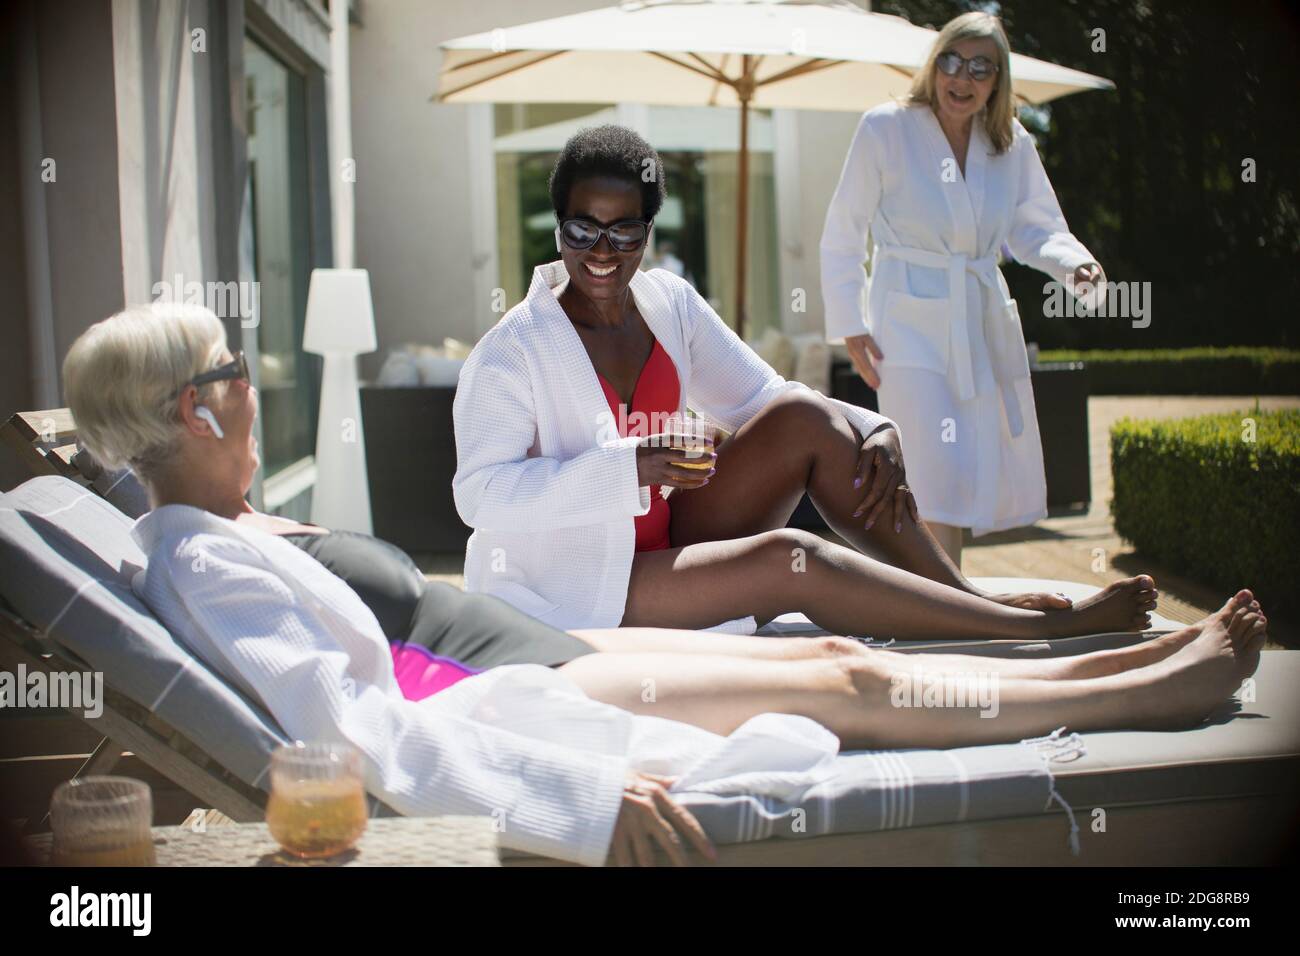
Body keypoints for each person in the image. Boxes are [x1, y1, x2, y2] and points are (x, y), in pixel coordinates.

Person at [63, 303, 1267, 866]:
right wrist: (572, 787)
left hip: (520, 644)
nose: (250, 387)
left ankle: (1121, 661)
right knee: (835, 668)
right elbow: (349, 728)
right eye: (233, 369)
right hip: (499, 684)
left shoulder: (213, 525)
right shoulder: (201, 553)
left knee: (816, 649)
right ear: (195, 405)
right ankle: (1136, 694)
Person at [453, 124, 1151, 640]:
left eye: (623, 232)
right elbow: (479, 497)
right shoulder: (512, 351)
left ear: (647, 229)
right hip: (586, 580)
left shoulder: (669, 304)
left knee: (807, 421)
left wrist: (872, 425)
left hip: (671, 538)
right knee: (791, 559)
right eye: (581, 231)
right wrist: (626, 466)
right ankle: (1023, 633)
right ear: (558, 228)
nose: (602, 253)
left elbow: (769, 399)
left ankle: (967, 600)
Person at [820, 11, 1106, 566]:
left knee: (964, 464)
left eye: (981, 67)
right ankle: (939, 600)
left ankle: (945, 597)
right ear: (935, 65)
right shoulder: (887, 127)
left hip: (975, 319)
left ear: (997, 80)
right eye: (953, 61)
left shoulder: (1009, 142)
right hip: (904, 323)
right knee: (927, 465)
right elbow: (843, 231)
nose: (964, 77)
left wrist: (1074, 266)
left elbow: (1036, 227)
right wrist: (850, 322)